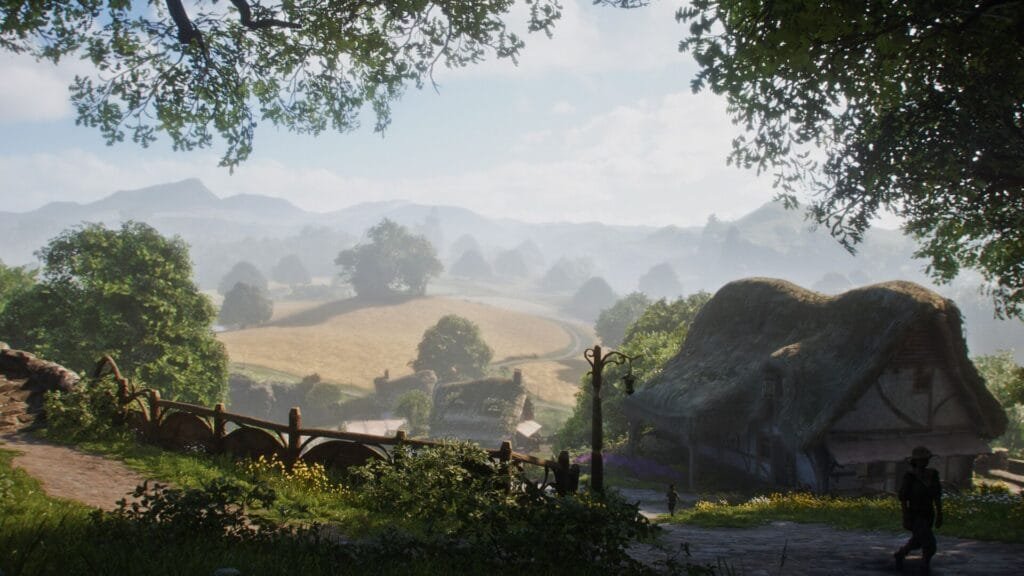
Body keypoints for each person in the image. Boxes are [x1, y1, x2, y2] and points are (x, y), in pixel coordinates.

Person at [894, 446, 943, 574]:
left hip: (928, 513)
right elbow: (903, 498)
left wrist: (939, 514)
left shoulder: (933, 475)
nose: (923, 462)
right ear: (915, 461)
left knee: (917, 541)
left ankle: (900, 554)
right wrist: (905, 516)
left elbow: (937, 496)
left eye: (925, 459)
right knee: (929, 543)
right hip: (915, 513)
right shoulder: (910, 476)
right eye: (920, 460)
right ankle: (924, 565)